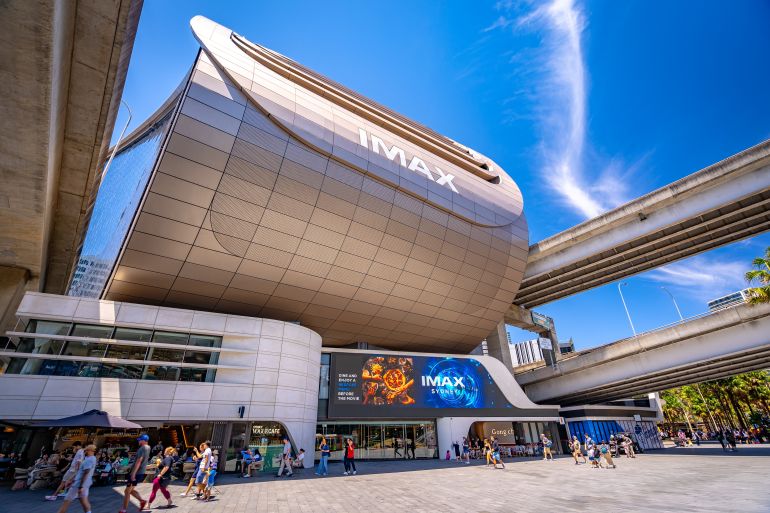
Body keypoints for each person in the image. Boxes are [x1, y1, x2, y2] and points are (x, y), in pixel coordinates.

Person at [55, 444, 96, 513]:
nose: (84, 452)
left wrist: (80, 486)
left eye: (86, 450)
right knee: (84, 502)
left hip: (78, 485)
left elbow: (85, 473)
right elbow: (82, 472)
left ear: (90, 451)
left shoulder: (88, 460)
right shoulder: (92, 458)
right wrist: (72, 480)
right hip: (84, 484)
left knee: (66, 502)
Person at [120, 434, 151, 513]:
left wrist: (133, 474)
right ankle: (142, 501)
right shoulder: (148, 447)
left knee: (127, 491)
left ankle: (124, 510)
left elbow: (139, 461)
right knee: (130, 490)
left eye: (139, 440)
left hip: (136, 473)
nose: (138, 441)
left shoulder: (142, 448)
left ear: (143, 440)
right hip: (140, 472)